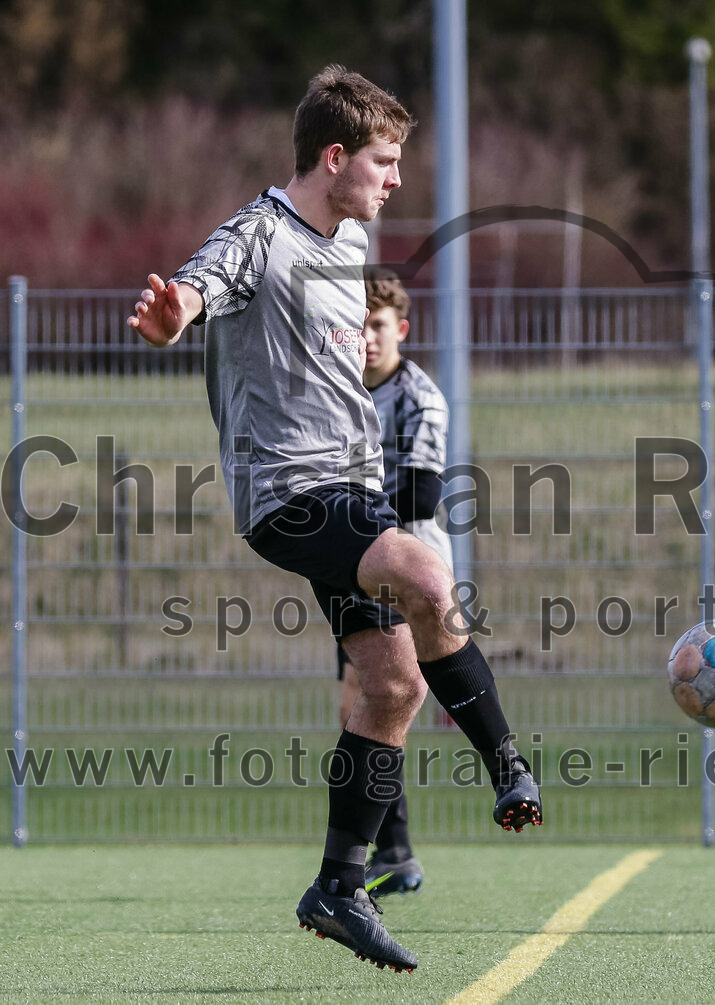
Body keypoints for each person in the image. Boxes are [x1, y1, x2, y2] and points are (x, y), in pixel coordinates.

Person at [127, 64, 541, 975]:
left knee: (393, 688)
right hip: (287, 494)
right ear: (334, 155)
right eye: (385, 161)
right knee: (432, 578)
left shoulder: (351, 235)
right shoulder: (257, 233)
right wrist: (171, 316)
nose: (396, 180)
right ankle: (509, 762)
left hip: (353, 489)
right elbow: (196, 287)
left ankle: (339, 887)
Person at [338, 267, 454, 899]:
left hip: (406, 564)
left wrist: (343, 502)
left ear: (401, 329)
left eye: (378, 325)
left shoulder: (419, 397)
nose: (369, 337)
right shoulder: (341, 389)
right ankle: (395, 850)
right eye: (358, 326)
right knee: (357, 705)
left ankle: (396, 850)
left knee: (386, 697)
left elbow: (422, 493)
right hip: (353, 559)